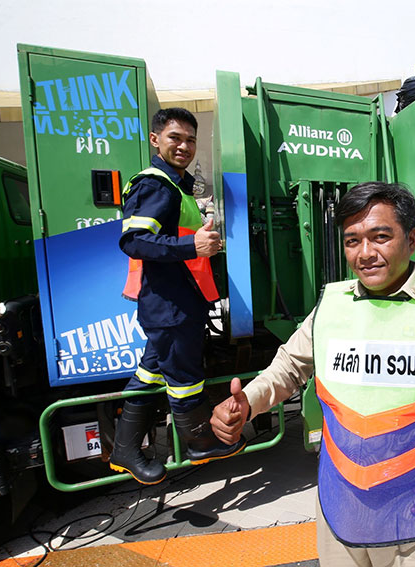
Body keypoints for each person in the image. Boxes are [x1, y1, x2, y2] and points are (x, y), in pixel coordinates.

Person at [210, 182, 415, 566]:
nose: (365, 253)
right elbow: (288, 367)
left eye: (380, 237)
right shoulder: (332, 306)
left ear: (410, 239)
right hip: (340, 511)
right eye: (352, 241)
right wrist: (248, 403)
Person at [111, 107, 244, 485]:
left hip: (172, 304)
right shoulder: (156, 185)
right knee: (184, 379)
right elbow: (134, 241)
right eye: (175, 138)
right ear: (155, 140)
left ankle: (124, 449)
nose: (184, 146)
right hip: (169, 306)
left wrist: (200, 245)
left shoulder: (176, 185)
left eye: (190, 140)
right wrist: (193, 246)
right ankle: (199, 441)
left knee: (149, 375)